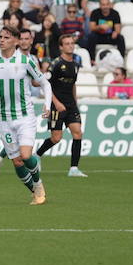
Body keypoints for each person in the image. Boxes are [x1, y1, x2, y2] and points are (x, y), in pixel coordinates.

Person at [0, 24, 53, 205]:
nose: (2, 40)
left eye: (6, 37)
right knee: (17, 162)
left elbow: (45, 84)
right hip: (4, 120)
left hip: (25, 117)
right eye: (1, 37)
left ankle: (39, 185)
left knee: (26, 156)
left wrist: (47, 104)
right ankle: (35, 191)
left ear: (16, 41)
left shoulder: (26, 61)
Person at [36, 32, 87, 177]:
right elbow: (46, 86)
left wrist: (75, 102)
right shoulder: (56, 64)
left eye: (72, 43)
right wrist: (56, 103)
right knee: (56, 138)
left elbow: (73, 84)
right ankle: (37, 155)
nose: (70, 46)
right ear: (61, 47)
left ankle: (74, 168)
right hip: (57, 105)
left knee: (77, 133)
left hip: (71, 105)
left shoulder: (76, 64)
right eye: (67, 44)